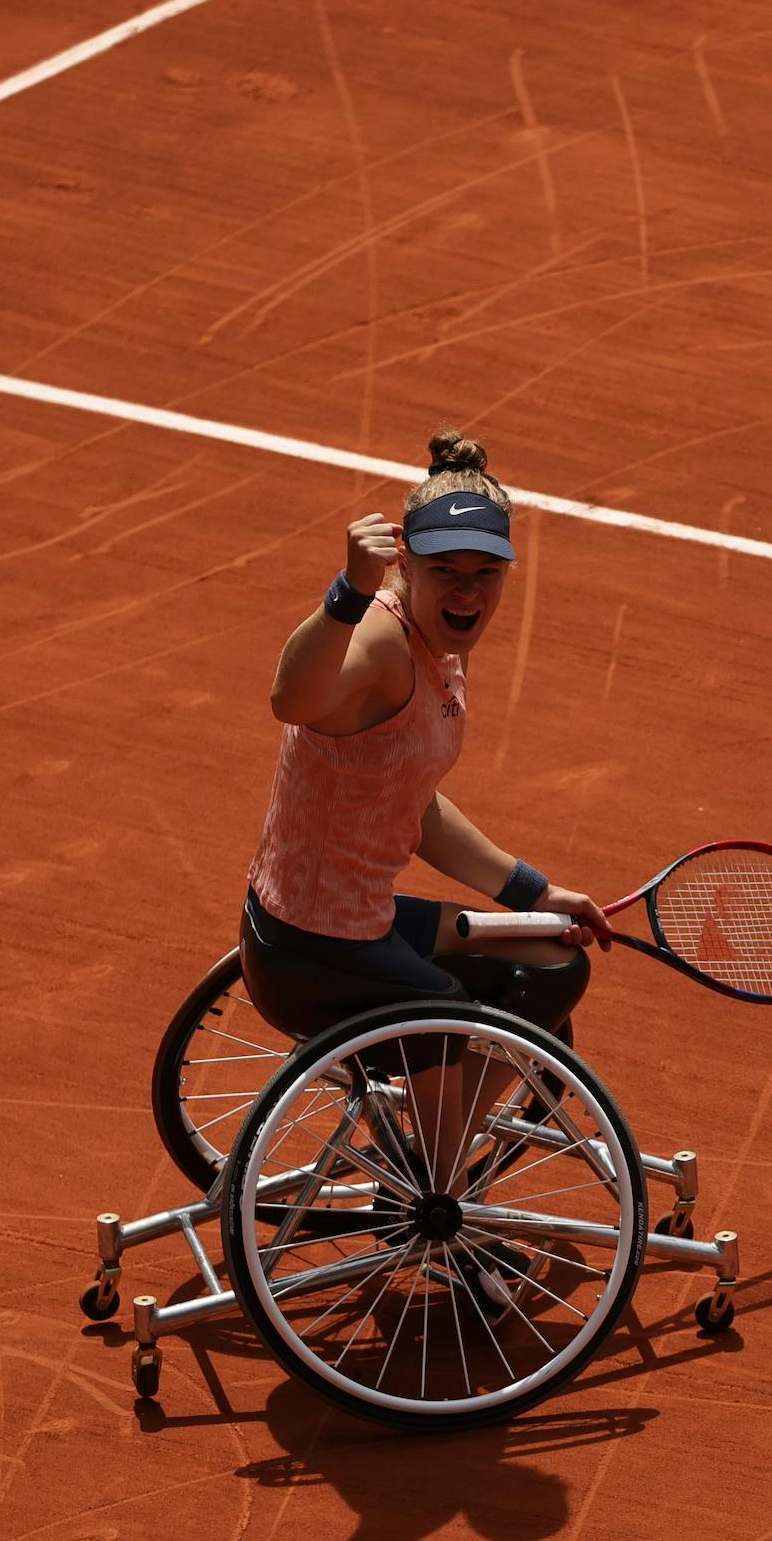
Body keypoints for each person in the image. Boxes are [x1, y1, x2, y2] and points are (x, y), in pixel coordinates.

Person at [239, 430, 607, 1208]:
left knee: (549, 962)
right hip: (313, 941)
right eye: (445, 573)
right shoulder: (378, 639)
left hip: (361, 922)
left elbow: (419, 808)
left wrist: (537, 896)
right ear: (404, 563)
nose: (467, 593)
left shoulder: (443, 649)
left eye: (485, 574)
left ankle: (429, 1157)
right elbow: (289, 701)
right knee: (460, 1021)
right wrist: (344, 590)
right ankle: (431, 1197)